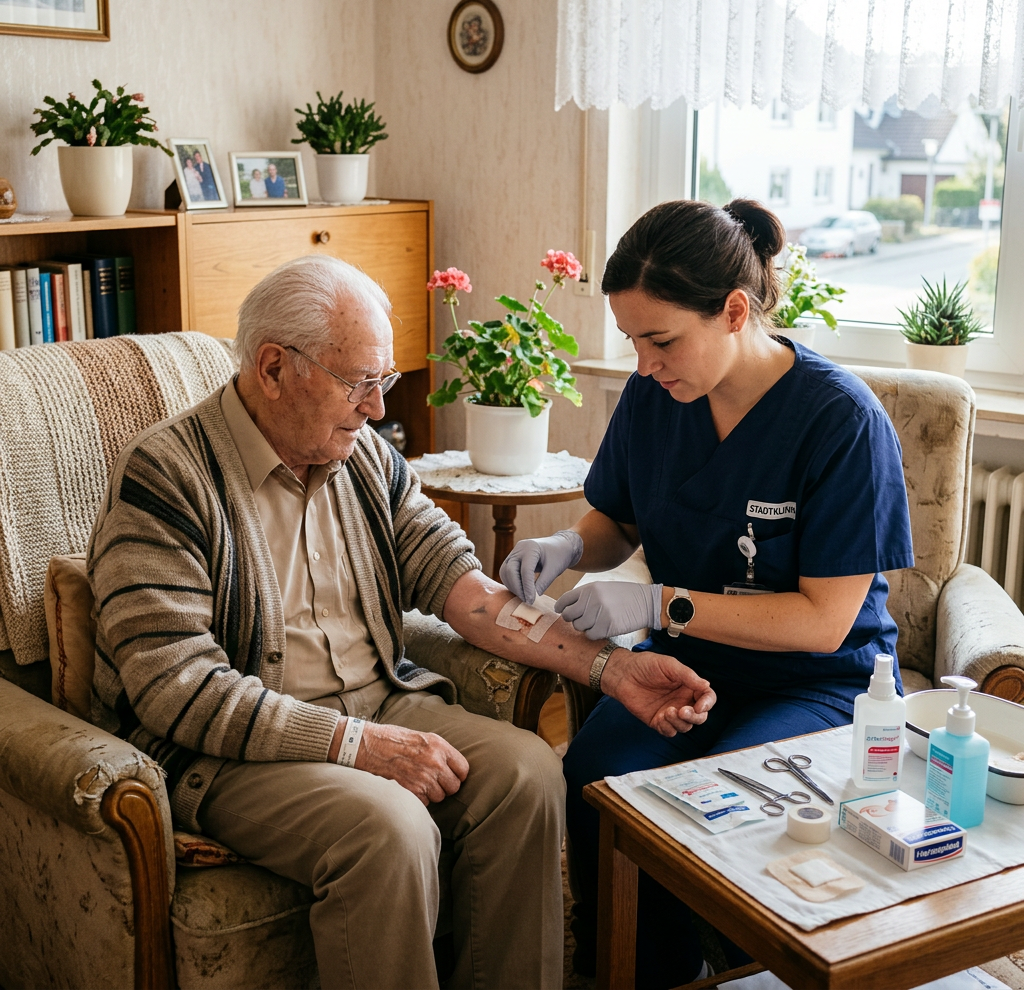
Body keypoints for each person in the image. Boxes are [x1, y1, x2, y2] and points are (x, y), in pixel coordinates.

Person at [87, 254, 716, 990]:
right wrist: (357, 746)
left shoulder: (365, 460)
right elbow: (177, 689)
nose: (378, 407)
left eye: (382, 379)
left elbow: (468, 591)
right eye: (359, 381)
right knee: (387, 825)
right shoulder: (165, 476)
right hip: (235, 751)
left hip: (379, 698)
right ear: (274, 368)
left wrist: (612, 668)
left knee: (527, 773)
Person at [500, 199, 914, 989]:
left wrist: (659, 605)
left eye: (661, 340)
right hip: (686, 670)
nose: (644, 365)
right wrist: (569, 546)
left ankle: (750, 971)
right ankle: (638, 970)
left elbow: (825, 623)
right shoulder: (656, 397)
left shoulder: (841, 422)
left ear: (733, 312)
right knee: (596, 776)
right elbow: (618, 520)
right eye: (631, 341)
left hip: (817, 683)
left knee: (722, 796)